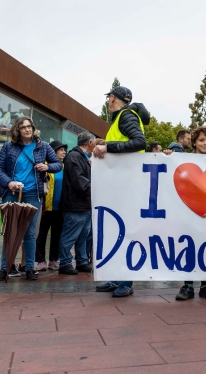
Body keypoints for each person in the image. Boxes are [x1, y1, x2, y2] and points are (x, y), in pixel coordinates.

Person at [93, 86, 150, 297]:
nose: (107, 101)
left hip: (129, 183)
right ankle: (118, 277)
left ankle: (126, 281)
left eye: (108, 97)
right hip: (122, 183)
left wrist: (108, 148)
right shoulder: (122, 118)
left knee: (126, 231)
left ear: (112, 98)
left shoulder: (125, 116)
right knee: (117, 230)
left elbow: (139, 142)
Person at [0, 117, 61, 281]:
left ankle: (30, 268)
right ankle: (5, 268)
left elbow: (57, 164)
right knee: (10, 232)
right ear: (18, 130)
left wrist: (47, 167)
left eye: (29, 126)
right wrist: (9, 182)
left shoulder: (42, 146)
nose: (27, 130)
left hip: (33, 193)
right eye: (23, 128)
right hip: (11, 192)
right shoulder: (9, 147)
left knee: (29, 233)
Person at [173, 126, 206, 301]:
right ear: (194, 142)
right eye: (201, 140)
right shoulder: (182, 161)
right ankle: (187, 286)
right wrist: (165, 155)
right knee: (189, 248)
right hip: (189, 212)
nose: (205, 143)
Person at [58, 132, 96, 275]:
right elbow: (79, 181)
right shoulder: (74, 157)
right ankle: (65, 262)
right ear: (90, 143)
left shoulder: (84, 158)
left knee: (83, 235)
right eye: (95, 143)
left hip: (84, 204)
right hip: (75, 204)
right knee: (70, 235)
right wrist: (96, 190)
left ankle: (82, 261)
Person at [36, 140, 67, 271]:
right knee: (41, 235)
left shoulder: (65, 167)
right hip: (45, 207)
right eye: (61, 150)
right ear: (53, 152)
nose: (64, 152)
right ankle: (41, 261)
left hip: (60, 208)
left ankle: (54, 260)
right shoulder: (45, 166)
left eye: (64, 150)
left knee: (57, 235)